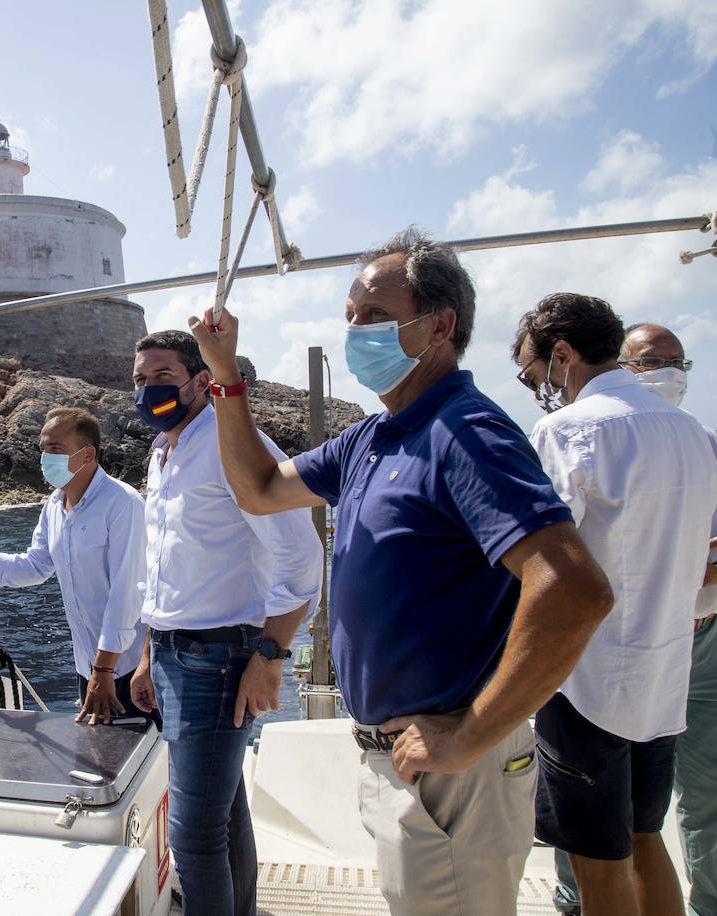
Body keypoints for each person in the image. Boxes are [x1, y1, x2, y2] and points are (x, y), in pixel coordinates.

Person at [188, 228, 615, 916]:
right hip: (403, 762)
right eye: (352, 318)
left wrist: (469, 734)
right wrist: (227, 378)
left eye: (377, 318)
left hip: (451, 770)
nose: (357, 332)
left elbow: (574, 589)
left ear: (441, 325)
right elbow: (260, 488)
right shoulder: (374, 435)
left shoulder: (465, 430)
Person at [513, 296, 717, 916]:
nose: (535, 389)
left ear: (564, 357)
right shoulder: (693, 434)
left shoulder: (567, 430)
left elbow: (543, 560)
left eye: (532, 374)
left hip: (587, 680)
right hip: (663, 675)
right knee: (643, 837)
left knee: (596, 866)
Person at [125, 329, 323, 916]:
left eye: (162, 378)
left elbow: (301, 556)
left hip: (217, 661)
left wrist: (271, 656)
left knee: (193, 837)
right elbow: (165, 566)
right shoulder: (164, 451)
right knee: (226, 816)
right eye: (139, 380)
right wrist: (147, 653)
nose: (148, 391)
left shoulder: (232, 444)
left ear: (201, 380)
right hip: (173, 656)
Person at [0, 406, 154, 726]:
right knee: (101, 761)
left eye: (55, 450)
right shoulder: (54, 506)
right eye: (43, 449)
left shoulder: (123, 504)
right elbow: (37, 564)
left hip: (126, 670)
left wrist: (104, 669)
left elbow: (127, 594)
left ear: (88, 455)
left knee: (141, 762)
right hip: (89, 667)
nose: (45, 458)